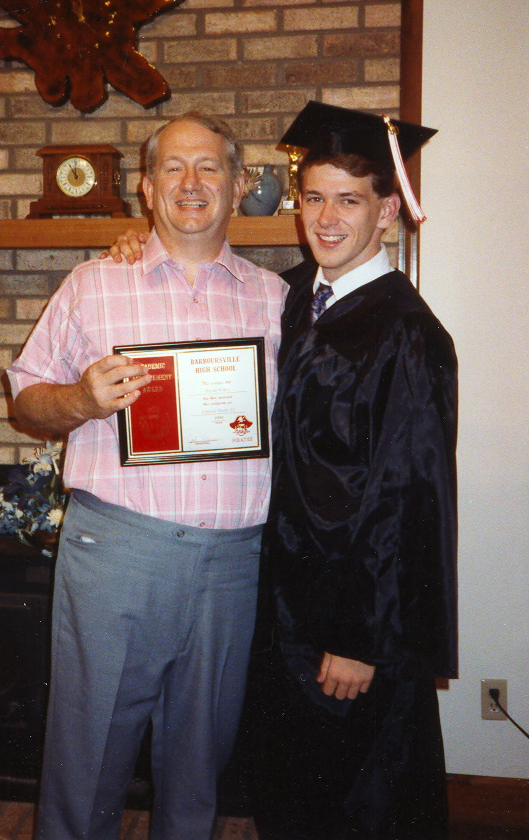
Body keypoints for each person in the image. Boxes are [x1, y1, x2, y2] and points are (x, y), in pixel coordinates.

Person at [6, 111, 288, 840]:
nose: (191, 183)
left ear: (239, 186)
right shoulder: (94, 284)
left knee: (201, 770)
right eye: (173, 167)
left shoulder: (278, 301)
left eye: (210, 168)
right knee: (87, 760)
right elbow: (29, 399)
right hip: (117, 555)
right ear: (144, 187)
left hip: (232, 566)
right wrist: (80, 400)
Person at [248, 102, 458, 840]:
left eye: (349, 199)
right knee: (294, 799)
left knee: (358, 807)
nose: (325, 217)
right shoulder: (299, 297)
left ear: (388, 210)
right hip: (290, 609)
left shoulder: (403, 330)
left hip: (350, 625)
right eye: (313, 197)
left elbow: (406, 494)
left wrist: (361, 638)